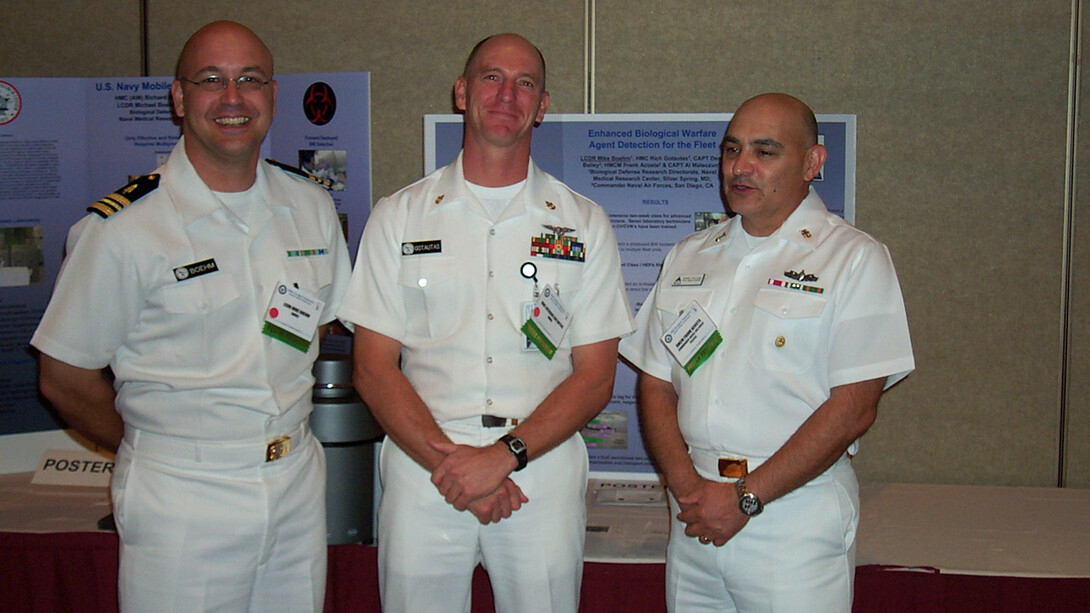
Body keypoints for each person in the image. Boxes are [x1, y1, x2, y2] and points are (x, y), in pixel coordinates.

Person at [31, 21, 350, 612]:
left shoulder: (309, 206)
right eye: (211, 80)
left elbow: (320, 324)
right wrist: (155, 446)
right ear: (179, 98)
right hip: (182, 496)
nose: (233, 99)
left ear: (273, 95)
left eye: (249, 80)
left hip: (297, 484)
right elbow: (64, 377)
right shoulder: (123, 230)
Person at [338, 33, 634, 613]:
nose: (507, 94)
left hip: (538, 471)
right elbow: (373, 370)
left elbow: (596, 378)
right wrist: (456, 466)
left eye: (526, 83)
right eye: (492, 77)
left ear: (543, 106)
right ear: (461, 92)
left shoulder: (583, 223)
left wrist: (503, 456)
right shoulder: (399, 217)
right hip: (425, 467)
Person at [620, 93, 915, 612]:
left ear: (812, 162)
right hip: (695, 514)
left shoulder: (852, 259)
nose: (741, 166)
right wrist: (689, 487)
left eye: (765, 151)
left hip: (791, 519)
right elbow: (656, 380)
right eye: (732, 149)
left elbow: (854, 407)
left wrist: (746, 497)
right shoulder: (691, 254)